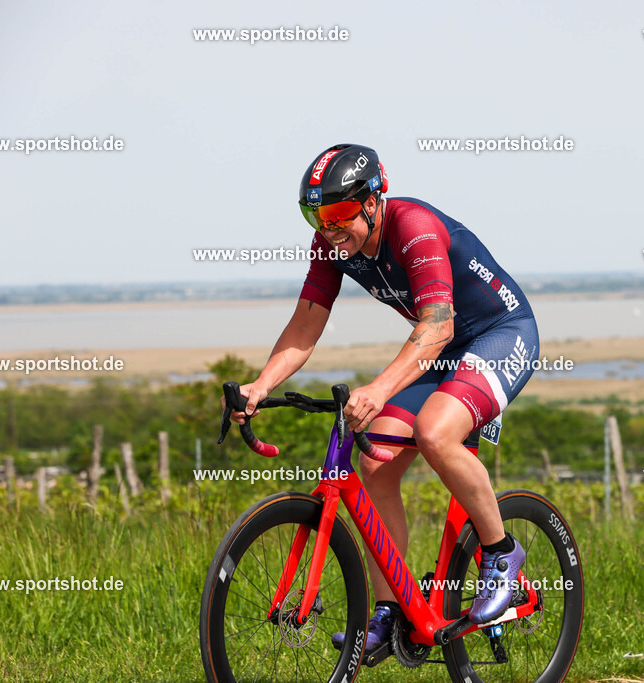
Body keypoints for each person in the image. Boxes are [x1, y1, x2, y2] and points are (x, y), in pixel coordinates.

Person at [230, 143, 538, 655]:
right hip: (440, 348)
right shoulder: (331, 244)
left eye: (337, 214)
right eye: (315, 215)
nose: (328, 229)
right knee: (375, 459)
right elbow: (307, 322)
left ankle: (501, 555)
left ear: (374, 200)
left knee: (435, 433)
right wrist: (260, 385)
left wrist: (378, 388)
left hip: (498, 334)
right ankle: (391, 610)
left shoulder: (412, 227)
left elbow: (438, 326)